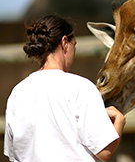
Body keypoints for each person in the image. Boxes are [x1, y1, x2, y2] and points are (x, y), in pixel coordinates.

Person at [4, 14, 125, 162]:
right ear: (64, 42)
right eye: (74, 45)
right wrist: (119, 120)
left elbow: (14, 154)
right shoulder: (82, 88)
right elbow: (104, 151)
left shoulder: (18, 92)